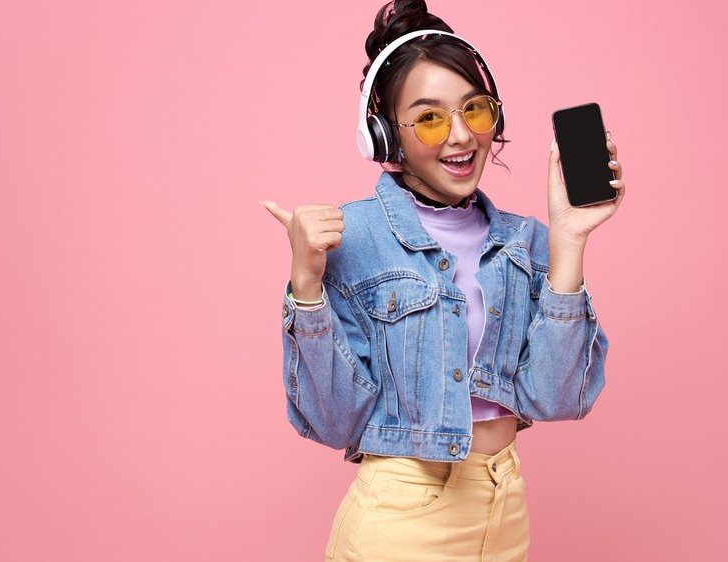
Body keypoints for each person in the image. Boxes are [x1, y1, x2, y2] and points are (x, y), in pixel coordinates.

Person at [260, 1, 624, 560]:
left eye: (474, 110)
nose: (460, 136)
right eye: (429, 118)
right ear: (385, 136)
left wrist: (569, 240)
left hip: (505, 510)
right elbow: (334, 422)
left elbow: (556, 400)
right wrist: (305, 288)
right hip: (402, 519)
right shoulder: (349, 236)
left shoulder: (525, 242)